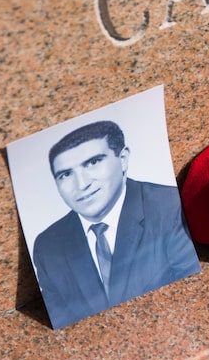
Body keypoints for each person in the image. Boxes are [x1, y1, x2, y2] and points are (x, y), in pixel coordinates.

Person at [32, 120, 200, 329]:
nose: (82, 184)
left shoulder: (167, 207)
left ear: (123, 159)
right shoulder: (48, 246)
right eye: (66, 174)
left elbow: (195, 298)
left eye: (93, 162)